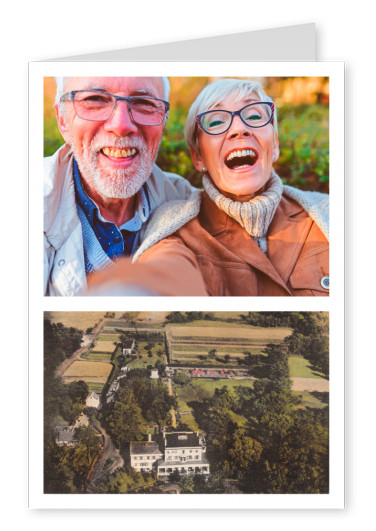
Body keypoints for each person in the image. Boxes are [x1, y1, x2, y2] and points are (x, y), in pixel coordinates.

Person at [87, 78, 329, 296]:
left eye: (254, 116)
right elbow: (166, 270)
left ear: (274, 144)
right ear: (198, 157)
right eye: (216, 121)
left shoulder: (328, 213)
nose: (239, 129)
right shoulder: (176, 229)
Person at [44, 76, 199, 296]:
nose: (121, 126)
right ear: (62, 120)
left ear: (163, 121)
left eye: (144, 103)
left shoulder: (187, 204)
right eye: (95, 99)